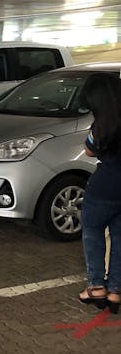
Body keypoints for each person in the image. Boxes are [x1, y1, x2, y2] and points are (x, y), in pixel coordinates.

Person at [78, 76, 121, 313]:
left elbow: (89, 151)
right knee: (120, 237)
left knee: (92, 230)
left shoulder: (103, 124)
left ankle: (96, 287)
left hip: (104, 185)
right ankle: (115, 291)